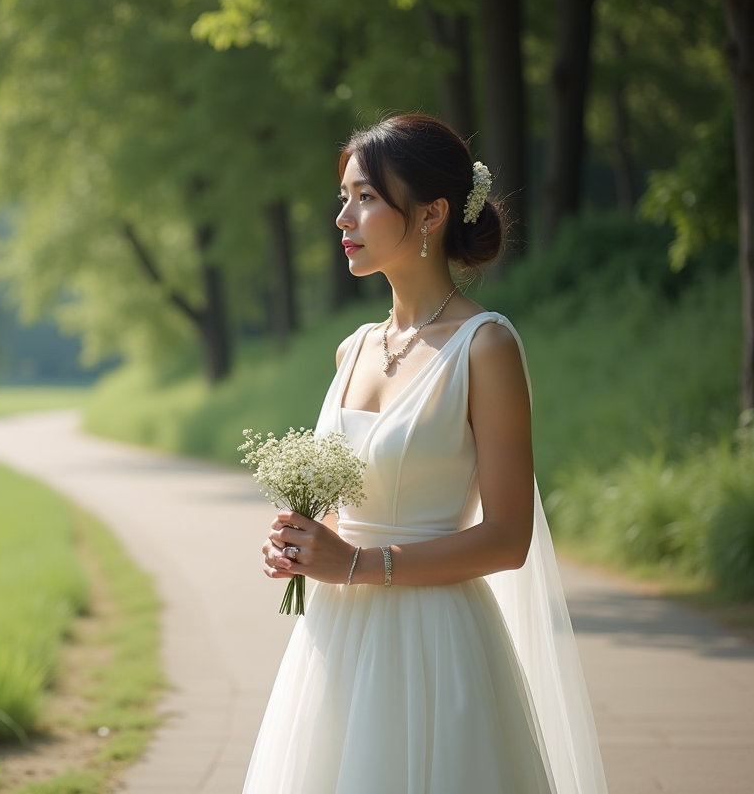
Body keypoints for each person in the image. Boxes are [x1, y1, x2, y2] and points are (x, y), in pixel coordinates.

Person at [244, 114, 609, 794]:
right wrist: (301, 543)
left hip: (434, 643)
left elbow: (509, 539)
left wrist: (358, 563)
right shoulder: (352, 349)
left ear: (432, 214)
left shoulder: (485, 346)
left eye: (367, 197)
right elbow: (349, 505)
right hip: (335, 639)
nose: (342, 217)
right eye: (345, 196)